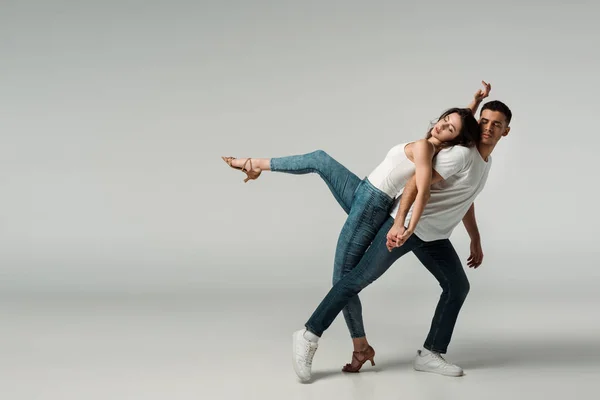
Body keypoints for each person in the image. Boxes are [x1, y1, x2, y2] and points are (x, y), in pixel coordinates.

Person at [291, 98, 512, 382]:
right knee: (358, 278)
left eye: (496, 125)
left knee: (457, 286)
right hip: (408, 227)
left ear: (505, 131)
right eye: (484, 121)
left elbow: (465, 199)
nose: (488, 128)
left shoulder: (485, 162)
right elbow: (415, 182)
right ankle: (308, 334)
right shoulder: (462, 155)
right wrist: (399, 222)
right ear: (477, 122)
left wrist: (475, 238)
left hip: (434, 236)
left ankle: (431, 353)